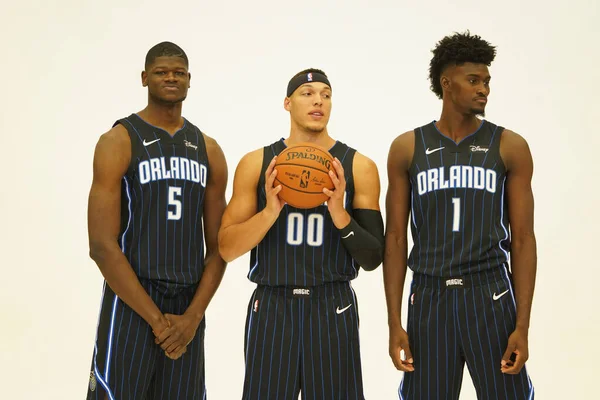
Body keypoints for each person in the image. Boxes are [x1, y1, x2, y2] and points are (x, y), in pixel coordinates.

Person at [383, 31, 536, 399]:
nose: (484, 89)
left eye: (486, 81)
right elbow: (395, 239)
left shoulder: (509, 145)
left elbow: (524, 238)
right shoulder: (407, 147)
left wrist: (522, 326)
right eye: (474, 80)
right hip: (430, 296)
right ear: (446, 83)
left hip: (490, 293)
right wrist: (393, 323)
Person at [218, 69, 384, 400]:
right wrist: (269, 213)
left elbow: (373, 257)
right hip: (273, 305)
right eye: (307, 93)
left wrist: (339, 214)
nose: (318, 100)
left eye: (325, 93)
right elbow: (226, 248)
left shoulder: (357, 166)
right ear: (287, 103)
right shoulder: (257, 163)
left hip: (332, 304)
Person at [86, 41, 228, 400]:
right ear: (145, 77)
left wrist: (193, 318)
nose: (171, 78)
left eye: (179, 73)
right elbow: (101, 246)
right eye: (162, 72)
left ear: (189, 81)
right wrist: (156, 320)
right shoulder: (118, 140)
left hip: (187, 305)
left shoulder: (208, 148)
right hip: (132, 299)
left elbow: (219, 247)